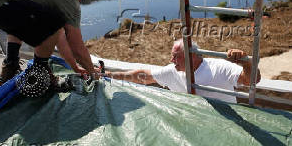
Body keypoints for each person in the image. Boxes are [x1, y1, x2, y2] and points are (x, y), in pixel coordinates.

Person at [105, 40, 261, 103]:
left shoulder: (219, 67)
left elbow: (251, 80)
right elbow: (143, 76)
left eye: (176, 57)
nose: (172, 61)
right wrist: (110, 75)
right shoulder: (173, 71)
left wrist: (246, 62)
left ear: (191, 56)